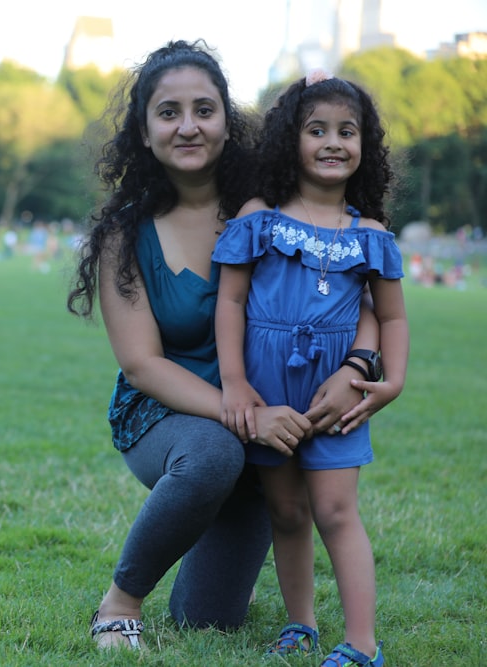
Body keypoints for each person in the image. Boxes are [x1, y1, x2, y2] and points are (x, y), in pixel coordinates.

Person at [66, 41, 383, 651]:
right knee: (213, 453)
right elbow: (141, 363)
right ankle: (120, 601)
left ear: (226, 121)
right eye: (169, 112)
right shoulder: (123, 236)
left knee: (206, 619)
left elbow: (363, 296)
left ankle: (210, 522)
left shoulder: (275, 210)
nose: (188, 126)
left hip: (267, 433)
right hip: (171, 417)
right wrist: (245, 415)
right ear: (144, 129)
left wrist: (358, 365)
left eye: (204, 109)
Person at [212, 71, 408, 667]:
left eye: (347, 132)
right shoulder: (258, 219)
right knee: (287, 511)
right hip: (267, 383)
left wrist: (391, 380)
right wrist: (235, 382)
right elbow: (232, 302)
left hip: (338, 391)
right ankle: (301, 625)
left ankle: (363, 644)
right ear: (288, 141)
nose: (332, 142)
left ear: (364, 147)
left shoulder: (370, 236)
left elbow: (391, 319)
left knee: (335, 510)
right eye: (316, 129)